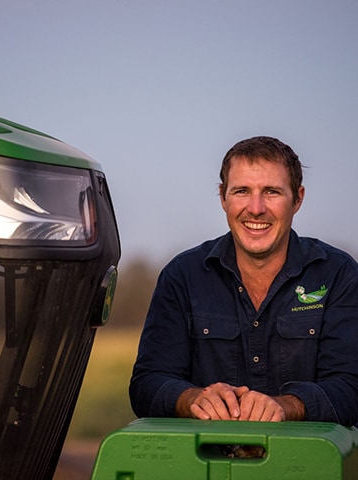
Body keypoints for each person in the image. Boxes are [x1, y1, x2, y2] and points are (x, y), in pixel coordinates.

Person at [129, 136, 358, 426]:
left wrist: (286, 406)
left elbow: (351, 388)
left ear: (297, 199)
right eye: (241, 191)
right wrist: (192, 399)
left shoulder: (338, 275)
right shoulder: (182, 276)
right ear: (223, 197)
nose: (256, 208)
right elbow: (146, 385)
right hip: (206, 463)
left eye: (272, 192)